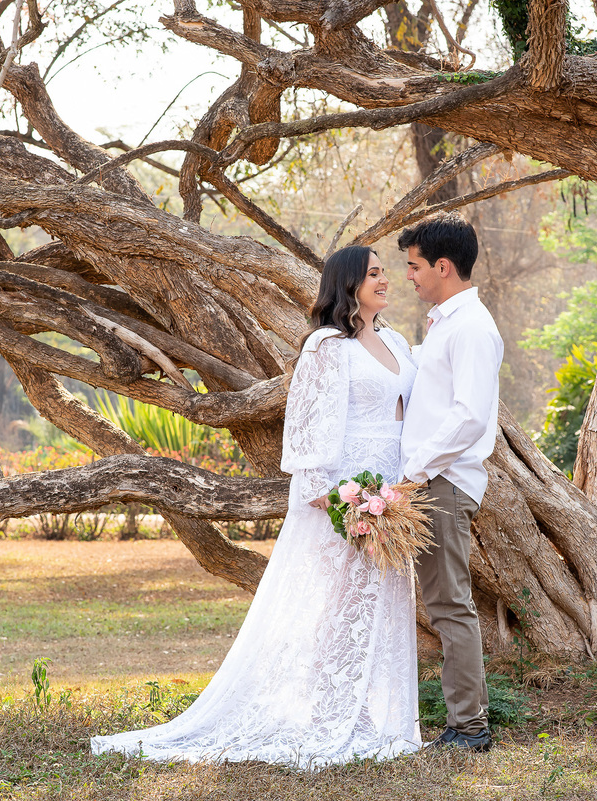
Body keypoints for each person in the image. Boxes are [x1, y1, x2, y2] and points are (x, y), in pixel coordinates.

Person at [91, 245, 422, 769]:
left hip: (393, 499)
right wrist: (341, 502)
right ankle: (320, 714)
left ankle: (371, 715)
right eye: (374, 273)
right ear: (348, 282)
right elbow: (308, 432)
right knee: (330, 604)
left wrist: (399, 493)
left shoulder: (399, 343)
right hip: (344, 497)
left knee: (379, 605)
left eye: (386, 272)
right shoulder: (325, 347)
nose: (385, 280)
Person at [398, 213, 503, 752]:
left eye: (414, 266)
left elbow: (469, 417)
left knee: (448, 605)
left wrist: (412, 475)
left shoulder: (472, 327)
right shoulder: (446, 323)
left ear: (442, 266)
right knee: (442, 602)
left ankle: (470, 727)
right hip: (428, 481)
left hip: (440, 483)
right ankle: (464, 721)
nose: (408, 277)